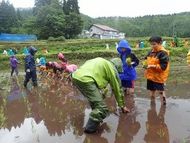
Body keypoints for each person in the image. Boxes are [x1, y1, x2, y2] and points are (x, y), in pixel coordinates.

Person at [72, 57, 130, 133]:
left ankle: (97, 120)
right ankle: (89, 130)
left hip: (76, 76)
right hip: (86, 79)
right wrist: (122, 106)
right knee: (102, 108)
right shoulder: (112, 69)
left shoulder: (101, 61)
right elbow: (117, 89)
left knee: (95, 102)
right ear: (117, 67)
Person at [143, 36, 170, 105]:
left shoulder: (163, 53)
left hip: (159, 77)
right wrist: (145, 64)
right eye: (151, 44)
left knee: (161, 92)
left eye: (154, 44)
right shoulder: (150, 52)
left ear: (160, 43)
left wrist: (151, 66)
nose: (152, 46)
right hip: (150, 76)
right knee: (152, 92)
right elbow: (145, 59)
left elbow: (163, 67)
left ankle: (163, 107)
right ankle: (152, 106)